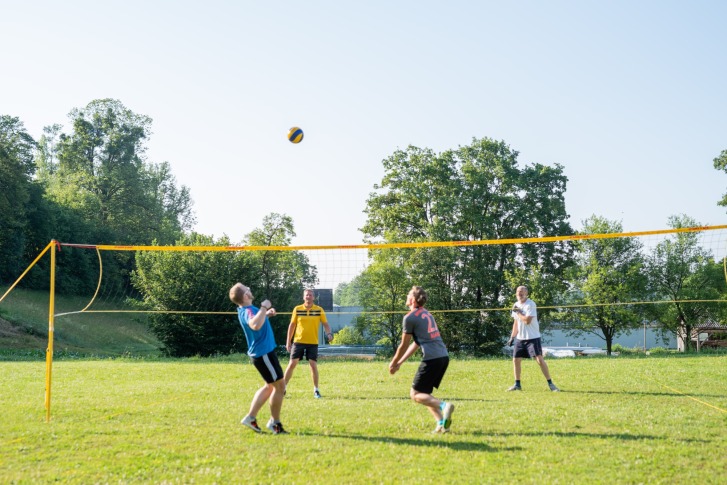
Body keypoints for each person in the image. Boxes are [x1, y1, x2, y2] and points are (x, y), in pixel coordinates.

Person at [389, 286, 455, 434]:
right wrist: (400, 363)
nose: (406, 297)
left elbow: (403, 345)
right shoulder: (427, 314)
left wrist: (393, 362)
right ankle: (441, 424)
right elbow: (416, 343)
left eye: (408, 295)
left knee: (415, 394)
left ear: (412, 300)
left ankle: (444, 406)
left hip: (432, 358)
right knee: (424, 393)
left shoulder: (409, 317)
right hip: (443, 356)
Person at [229, 282, 288, 434]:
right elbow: (254, 325)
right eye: (247, 288)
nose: (250, 288)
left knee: (270, 386)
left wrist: (266, 314)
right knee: (279, 387)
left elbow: (257, 321)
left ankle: (251, 418)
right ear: (246, 295)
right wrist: (264, 307)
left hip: (262, 354)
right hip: (264, 354)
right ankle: (274, 424)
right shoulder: (249, 310)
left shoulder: (246, 310)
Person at [506, 285, 560, 392]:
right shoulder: (516, 305)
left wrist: (518, 312)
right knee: (516, 360)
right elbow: (516, 322)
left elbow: (527, 321)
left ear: (526, 293)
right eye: (518, 292)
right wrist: (512, 337)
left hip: (533, 338)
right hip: (520, 338)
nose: (519, 293)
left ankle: (551, 384)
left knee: (539, 360)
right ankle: (517, 384)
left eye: (522, 292)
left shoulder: (530, 304)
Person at [283, 288, 333, 399]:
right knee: (292, 364)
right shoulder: (297, 309)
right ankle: (283, 388)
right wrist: (288, 342)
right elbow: (292, 326)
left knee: (313, 366)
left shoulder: (319, 310)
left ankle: (316, 390)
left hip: (312, 342)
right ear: (303, 297)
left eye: (310, 295)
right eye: (306, 295)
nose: (308, 297)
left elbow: (325, 324)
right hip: (298, 341)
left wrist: (329, 334)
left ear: (313, 297)